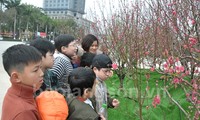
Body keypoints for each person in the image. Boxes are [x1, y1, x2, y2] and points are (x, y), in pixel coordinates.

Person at [1, 44, 44, 120]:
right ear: (16, 77)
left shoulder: (14, 92)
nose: (41, 73)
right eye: (35, 70)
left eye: (40, 67)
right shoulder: (24, 112)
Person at [92, 54, 120, 119]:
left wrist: (110, 102)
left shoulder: (102, 83)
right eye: (105, 71)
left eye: (109, 71)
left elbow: (104, 98)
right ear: (95, 69)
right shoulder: (91, 85)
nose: (108, 74)